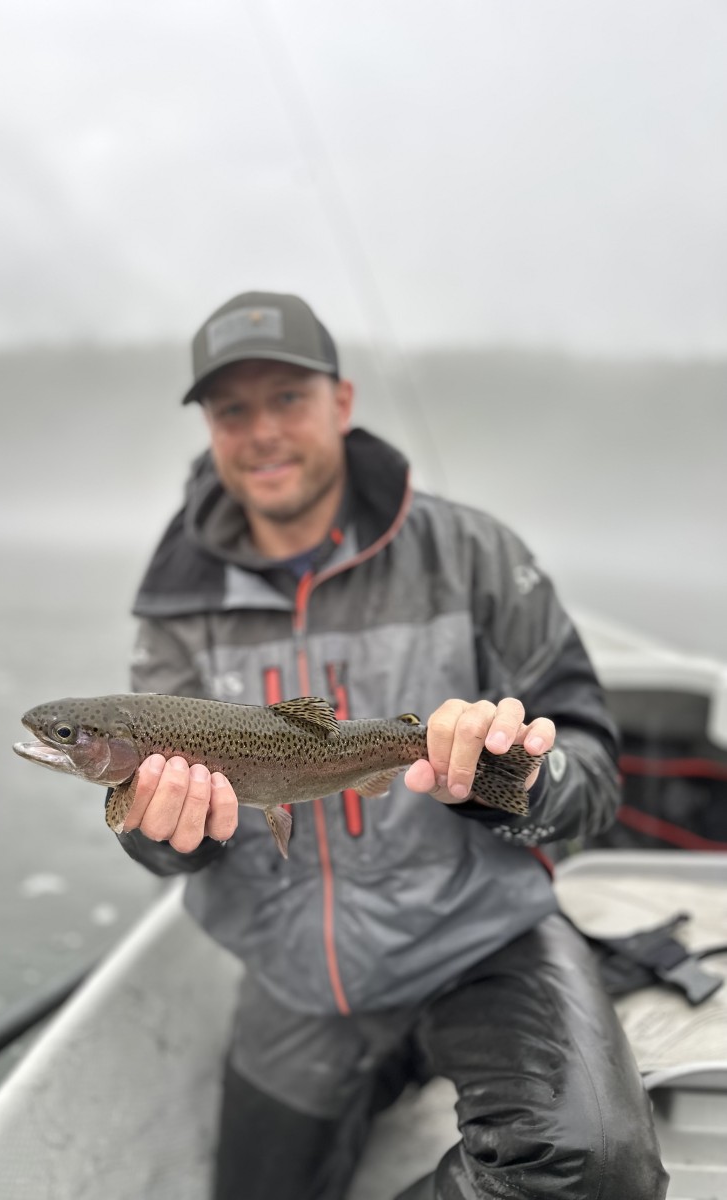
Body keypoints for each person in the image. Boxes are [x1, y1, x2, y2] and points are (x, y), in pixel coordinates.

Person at [115, 291, 667, 1199]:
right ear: (209, 426)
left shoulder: (476, 554)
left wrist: (501, 777)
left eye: (286, 398)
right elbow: (162, 838)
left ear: (341, 402)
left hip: (483, 939)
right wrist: (165, 832)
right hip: (293, 974)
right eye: (232, 409)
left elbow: (597, 782)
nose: (261, 432)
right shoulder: (173, 602)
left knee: (595, 1172)